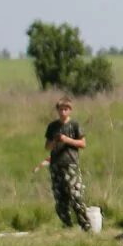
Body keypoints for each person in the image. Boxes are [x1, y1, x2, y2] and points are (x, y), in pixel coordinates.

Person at [38, 98, 91, 230]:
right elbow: (47, 147)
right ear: (57, 110)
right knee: (60, 198)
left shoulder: (74, 125)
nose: (63, 112)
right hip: (56, 165)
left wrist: (67, 140)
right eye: (61, 109)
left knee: (76, 196)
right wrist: (55, 141)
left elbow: (83, 143)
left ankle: (85, 225)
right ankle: (68, 226)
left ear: (70, 110)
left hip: (70, 164)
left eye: (65, 109)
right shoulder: (52, 127)